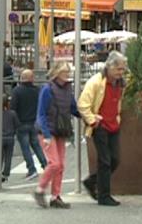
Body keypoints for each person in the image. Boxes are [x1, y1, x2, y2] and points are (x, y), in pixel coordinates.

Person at [78, 51, 127, 207]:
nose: (121, 72)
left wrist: (117, 118)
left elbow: (118, 101)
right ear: (109, 67)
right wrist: (93, 120)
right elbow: (83, 104)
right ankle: (104, 195)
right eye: (118, 69)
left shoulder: (120, 83)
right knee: (105, 160)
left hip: (113, 124)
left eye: (122, 69)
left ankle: (92, 182)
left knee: (115, 159)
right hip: (100, 126)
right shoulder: (96, 82)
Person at [33, 62, 80, 209]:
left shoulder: (67, 89)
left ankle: (55, 196)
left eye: (68, 72)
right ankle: (40, 189)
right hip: (48, 130)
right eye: (65, 72)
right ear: (57, 73)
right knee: (55, 163)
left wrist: (87, 116)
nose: (67, 74)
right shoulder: (47, 89)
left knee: (60, 165)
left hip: (60, 129)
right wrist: (46, 134)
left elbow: (73, 108)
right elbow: (41, 113)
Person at [10, 70, 48, 180]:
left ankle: (32, 169)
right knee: (36, 146)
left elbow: (13, 108)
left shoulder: (17, 91)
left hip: (21, 123)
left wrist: (16, 123)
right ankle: (45, 165)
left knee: (25, 148)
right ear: (32, 78)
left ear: (22, 78)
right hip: (34, 123)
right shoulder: (37, 91)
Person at [1, 98, 21, 183]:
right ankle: (5, 174)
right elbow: (17, 125)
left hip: (0, 138)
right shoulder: (12, 113)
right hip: (10, 137)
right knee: (8, 157)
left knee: (0, 157)